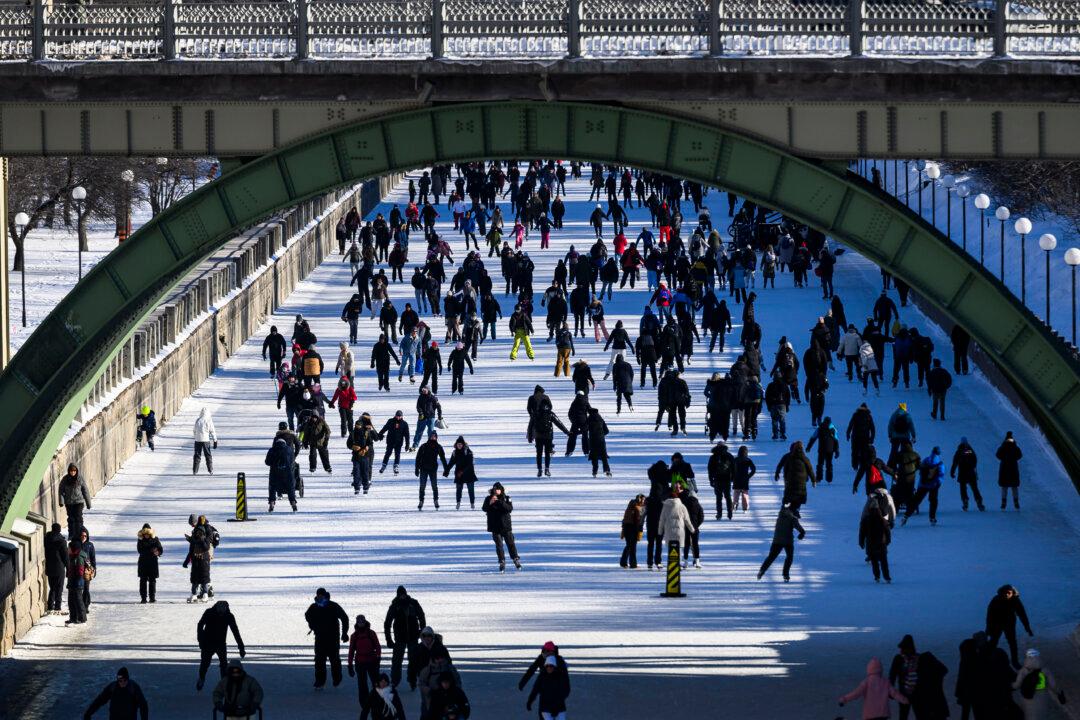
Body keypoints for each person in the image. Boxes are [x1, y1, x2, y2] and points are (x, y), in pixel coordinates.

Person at [889, 635, 950, 720]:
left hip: (917, 695)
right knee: (904, 716)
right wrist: (890, 691)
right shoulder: (898, 659)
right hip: (904, 694)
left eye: (903, 648)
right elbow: (892, 675)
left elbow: (892, 675)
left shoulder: (919, 659)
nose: (901, 651)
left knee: (919, 716)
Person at [305, 587, 351, 689]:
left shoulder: (333, 606)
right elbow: (307, 615)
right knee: (319, 660)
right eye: (318, 595)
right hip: (320, 638)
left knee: (334, 660)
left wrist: (344, 633)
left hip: (333, 638)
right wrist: (312, 625)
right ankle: (320, 681)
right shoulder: (314, 607)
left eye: (321, 595)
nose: (320, 597)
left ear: (325, 595)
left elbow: (344, 618)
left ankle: (337, 679)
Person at [196, 600, 246, 691]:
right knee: (205, 663)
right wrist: (200, 640)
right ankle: (201, 678)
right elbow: (200, 625)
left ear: (226, 609)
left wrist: (241, 647)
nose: (221, 613)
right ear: (216, 608)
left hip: (220, 644)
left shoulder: (229, 616)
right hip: (208, 643)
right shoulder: (209, 612)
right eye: (220, 611)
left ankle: (224, 683)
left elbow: (235, 632)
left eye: (223, 611)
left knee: (223, 664)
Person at [838, 657, 908, 720]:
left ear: (869, 669)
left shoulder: (866, 682)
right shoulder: (885, 682)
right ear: (880, 669)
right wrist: (904, 700)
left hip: (870, 715)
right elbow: (895, 694)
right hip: (883, 715)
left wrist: (844, 699)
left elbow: (856, 693)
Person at [384, 585, 426, 689]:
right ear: (398, 595)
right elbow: (387, 623)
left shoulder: (413, 603)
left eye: (403, 594)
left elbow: (421, 616)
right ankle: (394, 682)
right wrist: (389, 639)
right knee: (397, 661)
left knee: (413, 660)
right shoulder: (394, 605)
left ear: (406, 594)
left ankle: (412, 680)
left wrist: (422, 631)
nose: (402, 596)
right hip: (399, 638)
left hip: (413, 637)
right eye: (400, 595)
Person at [986, 584, 1033, 669]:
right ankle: (988, 659)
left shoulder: (1015, 600)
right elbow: (990, 615)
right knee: (993, 641)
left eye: (1009, 593)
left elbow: (1022, 614)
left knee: (1012, 643)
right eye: (1005, 593)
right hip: (997, 623)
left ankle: (1015, 661)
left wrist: (1027, 627)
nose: (1006, 594)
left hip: (1009, 624)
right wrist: (988, 628)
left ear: (1012, 593)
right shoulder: (996, 599)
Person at [1013, 649, 1067, 720]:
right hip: (1042, 696)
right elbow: (1054, 686)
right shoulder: (1045, 670)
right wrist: (1060, 694)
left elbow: (1016, 685)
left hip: (1027, 697)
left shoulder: (1023, 671)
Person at [757, 504, 805, 582]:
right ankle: (785, 574)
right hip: (787, 541)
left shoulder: (781, 515)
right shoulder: (793, 518)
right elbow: (799, 528)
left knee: (771, 557)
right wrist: (802, 533)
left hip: (777, 540)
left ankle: (762, 571)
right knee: (789, 557)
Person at [483, 482, 521, 572]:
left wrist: (500, 502)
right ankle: (502, 562)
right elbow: (484, 508)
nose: (496, 491)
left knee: (511, 544)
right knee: (499, 545)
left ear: (501, 490)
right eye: (495, 489)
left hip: (506, 526)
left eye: (498, 489)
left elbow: (509, 509)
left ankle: (515, 559)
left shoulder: (507, 498)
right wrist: (490, 503)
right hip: (494, 526)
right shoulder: (488, 498)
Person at [84, 667, 149, 720]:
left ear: (128, 679)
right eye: (120, 680)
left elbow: (143, 705)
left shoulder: (133, 688)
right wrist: (88, 713)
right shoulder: (113, 687)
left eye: (125, 680)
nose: (122, 682)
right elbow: (100, 700)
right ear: (117, 680)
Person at [902, 446, 944, 526]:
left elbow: (921, 471)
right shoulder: (939, 463)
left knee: (916, 500)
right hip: (933, 485)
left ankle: (906, 515)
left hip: (923, 484)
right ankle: (932, 518)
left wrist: (920, 484)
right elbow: (941, 475)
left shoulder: (926, 460)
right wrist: (938, 484)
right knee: (933, 501)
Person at [348, 614, 383, 712]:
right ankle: (364, 704)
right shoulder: (354, 636)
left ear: (365, 622)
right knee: (362, 685)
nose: (361, 624)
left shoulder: (371, 633)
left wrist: (378, 657)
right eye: (359, 622)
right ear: (357, 623)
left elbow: (377, 646)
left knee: (376, 682)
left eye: (362, 622)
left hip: (372, 661)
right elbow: (351, 651)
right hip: (360, 662)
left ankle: (378, 700)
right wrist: (349, 665)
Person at [774, 441, 815, 513]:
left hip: (789, 479)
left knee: (789, 493)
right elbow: (810, 469)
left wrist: (777, 473)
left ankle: (786, 506)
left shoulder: (787, 456)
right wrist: (813, 480)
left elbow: (780, 465)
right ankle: (796, 509)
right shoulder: (804, 458)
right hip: (802, 480)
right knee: (799, 494)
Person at [527, 655, 571, 720]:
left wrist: (557, 706)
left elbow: (565, 691)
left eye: (551, 666)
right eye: (547, 666)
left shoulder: (560, 677)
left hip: (559, 708)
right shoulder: (542, 677)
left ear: (554, 666)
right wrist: (530, 701)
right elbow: (535, 689)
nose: (549, 668)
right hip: (545, 708)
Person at [950, 437, 985, 512]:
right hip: (971, 472)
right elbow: (975, 459)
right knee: (974, 488)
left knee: (963, 488)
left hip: (962, 473)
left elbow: (955, 462)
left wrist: (952, 471)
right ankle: (979, 501)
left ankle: (965, 501)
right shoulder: (970, 450)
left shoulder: (959, 451)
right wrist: (973, 466)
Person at [415, 431, 448, 511]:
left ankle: (436, 500)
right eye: (432, 436)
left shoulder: (438, 447)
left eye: (434, 436)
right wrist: (417, 468)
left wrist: (446, 469)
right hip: (423, 468)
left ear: (436, 437)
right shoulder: (424, 446)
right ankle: (421, 501)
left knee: (434, 486)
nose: (433, 437)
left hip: (433, 469)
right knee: (422, 486)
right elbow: (418, 458)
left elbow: (443, 458)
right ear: (429, 437)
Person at [58, 463, 91, 541]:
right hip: (69, 503)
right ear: (69, 471)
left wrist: (88, 503)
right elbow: (61, 490)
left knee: (78, 518)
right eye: (71, 471)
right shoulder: (65, 479)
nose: (73, 472)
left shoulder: (79, 479)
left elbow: (85, 490)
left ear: (76, 471)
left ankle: (80, 533)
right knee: (71, 519)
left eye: (74, 471)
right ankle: (72, 534)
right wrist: (61, 501)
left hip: (78, 502)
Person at [265, 435, 298, 512]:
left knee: (272, 487)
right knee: (290, 488)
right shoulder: (289, 449)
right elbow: (292, 461)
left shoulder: (272, 450)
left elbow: (267, 462)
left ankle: (272, 503)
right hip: (287, 473)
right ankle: (293, 503)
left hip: (274, 473)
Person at [445, 435, 478, 510]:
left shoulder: (468, 452)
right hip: (459, 474)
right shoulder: (455, 452)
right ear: (456, 445)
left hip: (469, 473)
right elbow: (451, 463)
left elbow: (469, 464)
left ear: (463, 445)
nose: (459, 446)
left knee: (471, 489)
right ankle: (458, 502)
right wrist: (446, 471)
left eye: (460, 444)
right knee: (459, 489)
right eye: (458, 444)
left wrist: (462, 471)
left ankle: (472, 503)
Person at [349, 414, 378, 495]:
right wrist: (353, 447)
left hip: (368, 452)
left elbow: (375, 438)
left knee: (368, 468)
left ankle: (367, 482)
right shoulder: (354, 432)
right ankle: (357, 484)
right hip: (356, 455)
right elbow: (349, 443)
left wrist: (371, 429)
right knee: (357, 470)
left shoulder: (368, 429)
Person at [708, 443, 736, 520]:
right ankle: (730, 513)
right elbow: (734, 468)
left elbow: (710, 469)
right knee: (728, 497)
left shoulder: (713, 457)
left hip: (717, 479)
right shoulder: (729, 456)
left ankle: (719, 514)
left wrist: (711, 479)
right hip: (727, 479)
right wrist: (733, 478)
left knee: (718, 497)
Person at [136, 523, 162, 604]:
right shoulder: (140, 540)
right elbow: (140, 550)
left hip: (153, 563)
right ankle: (143, 598)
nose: (146, 535)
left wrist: (157, 552)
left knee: (152, 581)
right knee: (143, 581)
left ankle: (152, 598)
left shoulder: (155, 539)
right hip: (143, 563)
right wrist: (151, 550)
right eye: (145, 534)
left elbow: (160, 549)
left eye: (148, 533)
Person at [996, 431, 1023, 510]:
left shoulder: (1003, 446)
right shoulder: (1015, 446)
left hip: (1004, 467)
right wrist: (1014, 459)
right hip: (1013, 467)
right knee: (1014, 486)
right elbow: (1020, 455)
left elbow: (998, 454)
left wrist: (1004, 459)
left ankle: (1003, 502)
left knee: (1004, 486)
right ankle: (1016, 502)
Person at [378, 411, 411, 475]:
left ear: (402, 416)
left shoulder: (404, 424)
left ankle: (396, 466)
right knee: (388, 453)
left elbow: (407, 435)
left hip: (398, 442)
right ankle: (384, 465)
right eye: (397, 416)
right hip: (390, 441)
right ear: (395, 415)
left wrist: (407, 445)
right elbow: (385, 428)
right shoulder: (391, 421)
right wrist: (380, 433)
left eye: (399, 416)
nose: (398, 418)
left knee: (397, 454)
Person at [44, 523, 67, 615]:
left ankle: (50, 606)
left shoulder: (47, 539)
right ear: (59, 530)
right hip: (59, 568)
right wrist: (69, 567)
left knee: (52, 587)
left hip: (49, 567)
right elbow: (65, 557)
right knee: (59, 588)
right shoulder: (61, 541)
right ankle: (57, 607)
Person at [66, 539, 88, 625]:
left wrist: (73, 576)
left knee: (78, 600)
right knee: (71, 601)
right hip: (73, 582)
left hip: (77, 583)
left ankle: (82, 618)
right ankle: (73, 618)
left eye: (69, 547)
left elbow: (80, 571)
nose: (68, 549)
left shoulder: (78, 557)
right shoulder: (73, 556)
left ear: (73, 548)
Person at [620, 494, 645, 569]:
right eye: (643, 500)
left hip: (627, 528)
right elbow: (640, 521)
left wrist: (623, 529)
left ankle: (623, 562)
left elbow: (625, 519)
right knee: (632, 547)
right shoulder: (639, 508)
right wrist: (640, 531)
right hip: (633, 529)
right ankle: (633, 564)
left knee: (629, 546)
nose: (644, 502)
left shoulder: (630, 506)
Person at [193, 407, 217, 475]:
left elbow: (194, 430)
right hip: (206, 440)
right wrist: (215, 440)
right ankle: (210, 470)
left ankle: (195, 470)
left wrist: (196, 437)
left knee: (197, 455)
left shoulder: (198, 420)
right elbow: (212, 431)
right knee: (208, 455)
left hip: (197, 440)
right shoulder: (208, 420)